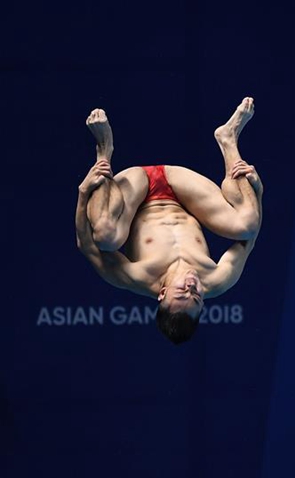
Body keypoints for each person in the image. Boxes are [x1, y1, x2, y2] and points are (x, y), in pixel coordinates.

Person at [75, 97, 264, 344]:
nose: (192, 287)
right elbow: (250, 240)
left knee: (105, 237)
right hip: (182, 189)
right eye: (197, 297)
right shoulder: (218, 279)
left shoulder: (136, 277)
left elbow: (86, 246)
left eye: (183, 293)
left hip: (136, 190)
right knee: (247, 225)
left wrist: (83, 193)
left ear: (162, 294)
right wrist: (258, 192)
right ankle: (228, 139)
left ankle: (104, 151)